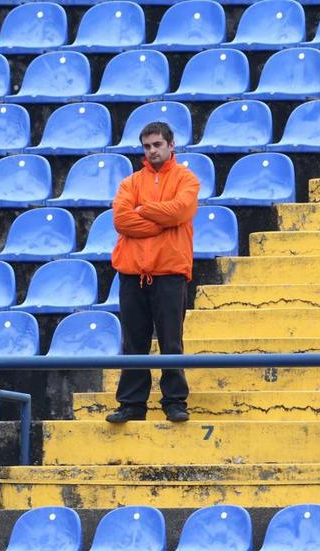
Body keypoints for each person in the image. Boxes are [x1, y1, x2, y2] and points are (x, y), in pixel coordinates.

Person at [105, 120, 202, 423]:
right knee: (134, 341)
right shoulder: (129, 183)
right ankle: (132, 404)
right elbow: (122, 221)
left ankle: (174, 401)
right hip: (132, 272)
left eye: (158, 144)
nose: (152, 151)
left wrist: (144, 210)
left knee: (171, 340)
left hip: (170, 272)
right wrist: (163, 217)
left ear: (171, 145)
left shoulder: (187, 179)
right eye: (147, 146)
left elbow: (181, 211)